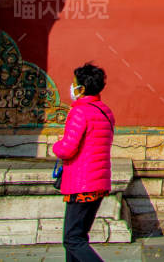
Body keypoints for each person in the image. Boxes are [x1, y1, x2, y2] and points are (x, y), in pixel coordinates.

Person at [51, 62, 115, 262]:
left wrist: (56, 147)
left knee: (72, 239)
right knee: (78, 236)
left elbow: (68, 148)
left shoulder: (80, 112)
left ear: (82, 88)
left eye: (74, 83)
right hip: (98, 181)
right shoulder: (105, 111)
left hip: (81, 183)